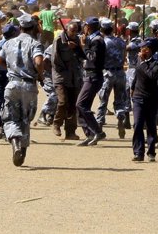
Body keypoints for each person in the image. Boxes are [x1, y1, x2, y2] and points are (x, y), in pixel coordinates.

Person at [0, 14, 44, 166]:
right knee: (25, 119)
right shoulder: (35, 43)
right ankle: (22, 150)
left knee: (10, 118)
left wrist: (11, 69)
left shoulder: (8, 43)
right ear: (33, 27)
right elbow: (38, 61)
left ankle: (15, 144)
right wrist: (40, 75)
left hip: (12, 84)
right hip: (29, 85)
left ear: (20, 27)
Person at [130, 37, 158, 162]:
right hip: (138, 97)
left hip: (151, 98)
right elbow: (137, 75)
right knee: (138, 124)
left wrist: (143, 62)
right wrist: (132, 88)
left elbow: (152, 75)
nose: (143, 50)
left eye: (146, 48)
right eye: (142, 48)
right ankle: (138, 152)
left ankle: (151, 151)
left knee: (151, 125)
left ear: (152, 50)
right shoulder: (139, 60)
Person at [51, 21, 85, 140]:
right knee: (62, 102)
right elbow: (55, 60)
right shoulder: (59, 40)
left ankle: (70, 131)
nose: (74, 33)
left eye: (76, 31)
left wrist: (77, 48)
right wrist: (66, 47)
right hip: (61, 76)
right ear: (67, 29)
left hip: (74, 77)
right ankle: (57, 123)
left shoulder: (77, 40)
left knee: (73, 105)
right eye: (72, 31)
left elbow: (82, 56)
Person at [77, 17, 107, 146]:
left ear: (88, 27)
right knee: (83, 106)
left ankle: (97, 132)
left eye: (85, 26)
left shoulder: (97, 41)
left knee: (80, 104)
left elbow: (92, 58)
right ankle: (90, 134)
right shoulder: (93, 39)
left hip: (93, 75)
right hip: (89, 75)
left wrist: (84, 46)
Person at [95, 18, 128, 138]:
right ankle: (120, 117)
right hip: (120, 72)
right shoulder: (121, 41)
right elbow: (124, 57)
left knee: (103, 102)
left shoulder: (102, 42)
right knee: (119, 101)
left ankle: (99, 125)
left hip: (107, 73)